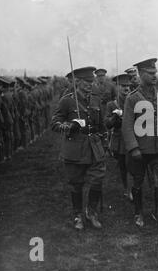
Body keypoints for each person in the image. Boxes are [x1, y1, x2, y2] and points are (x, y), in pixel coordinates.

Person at [51, 66, 106, 230]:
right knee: (76, 183)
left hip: (94, 147)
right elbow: (54, 124)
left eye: (92, 81)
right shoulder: (67, 100)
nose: (90, 84)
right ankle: (77, 215)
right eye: (87, 81)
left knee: (98, 179)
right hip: (74, 147)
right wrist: (71, 126)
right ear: (78, 82)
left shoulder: (96, 100)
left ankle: (91, 212)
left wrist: (104, 142)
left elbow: (101, 125)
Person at [122, 58, 158, 230]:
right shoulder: (132, 98)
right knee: (138, 182)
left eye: (155, 73)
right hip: (140, 150)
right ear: (141, 74)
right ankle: (138, 213)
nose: (154, 76)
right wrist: (133, 148)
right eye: (150, 73)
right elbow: (127, 126)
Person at [105, 74, 133, 200]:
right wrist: (116, 117)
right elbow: (107, 124)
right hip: (119, 140)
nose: (126, 88)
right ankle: (127, 188)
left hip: (133, 138)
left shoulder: (134, 100)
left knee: (133, 164)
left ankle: (132, 189)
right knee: (123, 165)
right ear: (117, 87)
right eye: (123, 86)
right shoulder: (112, 105)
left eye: (127, 86)